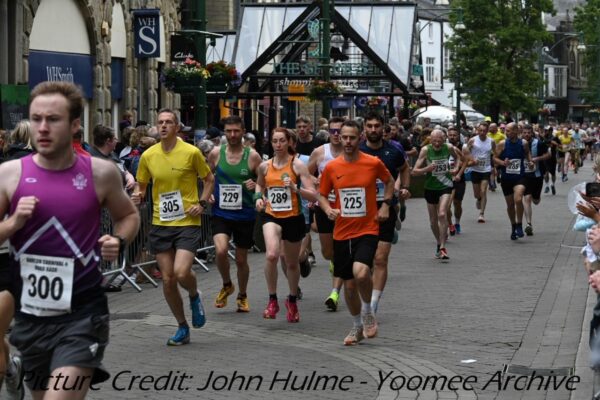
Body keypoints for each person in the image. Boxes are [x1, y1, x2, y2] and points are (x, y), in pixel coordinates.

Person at [0, 81, 139, 399]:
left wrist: (118, 240)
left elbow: (129, 216)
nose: (43, 128)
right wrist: (13, 223)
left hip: (82, 315)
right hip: (30, 317)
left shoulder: (100, 173)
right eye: (36, 119)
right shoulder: (10, 174)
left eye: (53, 119)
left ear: (76, 124)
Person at [133, 108, 215, 346]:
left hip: (187, 221)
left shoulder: (191, 153)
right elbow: (141, 185)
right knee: (168, 279)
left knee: (181, 272)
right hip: (161, 222)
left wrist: (201, 203)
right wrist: (138, 196)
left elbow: (208, 179)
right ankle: (182, 326)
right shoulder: (148, 155)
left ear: (177, 127)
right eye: (160, 122)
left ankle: (193, 295)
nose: (164, 126)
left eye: (169, 122)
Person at [318, 120, 394, 345]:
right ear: (339, 138)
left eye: (352, 137)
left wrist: (386, 205)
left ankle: (368, 310)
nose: (348, 142)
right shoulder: (332, 167)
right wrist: (327, 208)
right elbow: (322, 194)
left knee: (361, 273)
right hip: (342, 232)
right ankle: (356, 326)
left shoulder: (373, 163)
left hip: (368, 228)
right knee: (349, 288)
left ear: (359, 138)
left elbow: (389, 181)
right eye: (345, 137)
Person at [254, 128, 317, 322]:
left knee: (291, 262)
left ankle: (291, 299)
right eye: (275, 141)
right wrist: (258, 198)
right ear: (271, 143)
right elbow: (259, 185)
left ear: (289, 142)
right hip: (271, 215)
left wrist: (295, 188)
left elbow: (312, 193)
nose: (278, 144)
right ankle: (272, 300)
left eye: (282, 141)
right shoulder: (265, 166)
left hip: (293, 218)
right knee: (272, 254)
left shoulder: (297, 165)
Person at [207, 116, 262, 313]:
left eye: (236, 131)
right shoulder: (216, 153)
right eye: (228, 131)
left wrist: (256, 186)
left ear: (243, 131)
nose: (232, 135)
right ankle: (227, 284)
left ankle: (243, 294)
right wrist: (208, 194)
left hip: (244, 214)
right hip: (221, 212)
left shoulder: (252, 156)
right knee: (220, 251)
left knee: (241, 259)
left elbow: (264, 182)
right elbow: (206, 177)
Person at [359, 112, 410, 314]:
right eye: (369, 126)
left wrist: (405, 186)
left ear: (383, 128)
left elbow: (405, 168)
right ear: (364, 128)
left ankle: (373, 303)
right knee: (366, 262)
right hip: (361, 211)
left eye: (376, 126)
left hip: (386, 208)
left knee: (380, 259)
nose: (373, 130)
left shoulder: (393, 151)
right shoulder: (358, 151)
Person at [308, 117, 345, 311]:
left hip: (344, 209)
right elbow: (305, 175)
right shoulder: (320, 152)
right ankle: (333, 262)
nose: (337, 135)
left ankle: (335, 293)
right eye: (333, 131)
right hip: (323, 206)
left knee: (340, 251)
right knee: (327, 251)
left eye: (340, 131)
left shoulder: (352, 153)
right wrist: (315, 182)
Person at [412, 129, 465, 259]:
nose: (436, 143)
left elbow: (459, 158)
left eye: (439, 140)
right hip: (430, 187)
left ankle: (442, 246)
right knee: (432, 221)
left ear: (444, 139)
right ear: (430, 139)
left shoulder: (449, 147)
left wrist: (456, 168)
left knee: (442, 213)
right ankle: (438, 242)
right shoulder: (425, 150)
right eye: (434, 141)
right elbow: (414, 171)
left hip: (445, 185)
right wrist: (427, 169)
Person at [493, 122, 534, 240]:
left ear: (516, 131)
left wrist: (530, 161)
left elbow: (527, 153)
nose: (506, 132)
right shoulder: (502, 144)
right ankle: (513, 226)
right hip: (506, 179)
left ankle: (520, 224)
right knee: (510, 205)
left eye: (509, 130)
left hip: (520, 177)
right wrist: (502, 163)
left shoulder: (524, 143)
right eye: (506, 130)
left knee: (518, 198)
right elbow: (494, 158)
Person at [522, 124, 550, 236]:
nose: (526, 134)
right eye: (524, 132)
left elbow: (549, 154)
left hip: (537, 176)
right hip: (524, 176)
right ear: (521, 133)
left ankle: (537, 196)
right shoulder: (518, 143)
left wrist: (537, 159)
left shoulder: (538, 143)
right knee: (527, 198)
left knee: (536, 201)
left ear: (532, 133)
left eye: (528, 132)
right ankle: (529, 224)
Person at [464, 122, 495, 223]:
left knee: (483, 191)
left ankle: (481, 214)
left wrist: (495, 166)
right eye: (480, 130)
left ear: (487, 131)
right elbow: (465, 153)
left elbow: (496, 153)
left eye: (484, 131)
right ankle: (478, 199)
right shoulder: (473, 140)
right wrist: (472, 160)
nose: (482, 132)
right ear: (477, 130)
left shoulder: (491, 141)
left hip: (486, 169)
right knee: (477, 194)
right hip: (475, 169)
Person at [446, 126, 466, 235]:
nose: (452, 137)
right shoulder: (443, 147)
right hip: (446, 179)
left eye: (454, 135)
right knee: (447, 205)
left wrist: (459, 173)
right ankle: (450, 224)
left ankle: (457, 222)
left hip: (459, 179)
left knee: (457, 203)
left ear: (458, 136)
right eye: (450, 135)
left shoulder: (462, 147)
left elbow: (467, 161)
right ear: (447, 136)